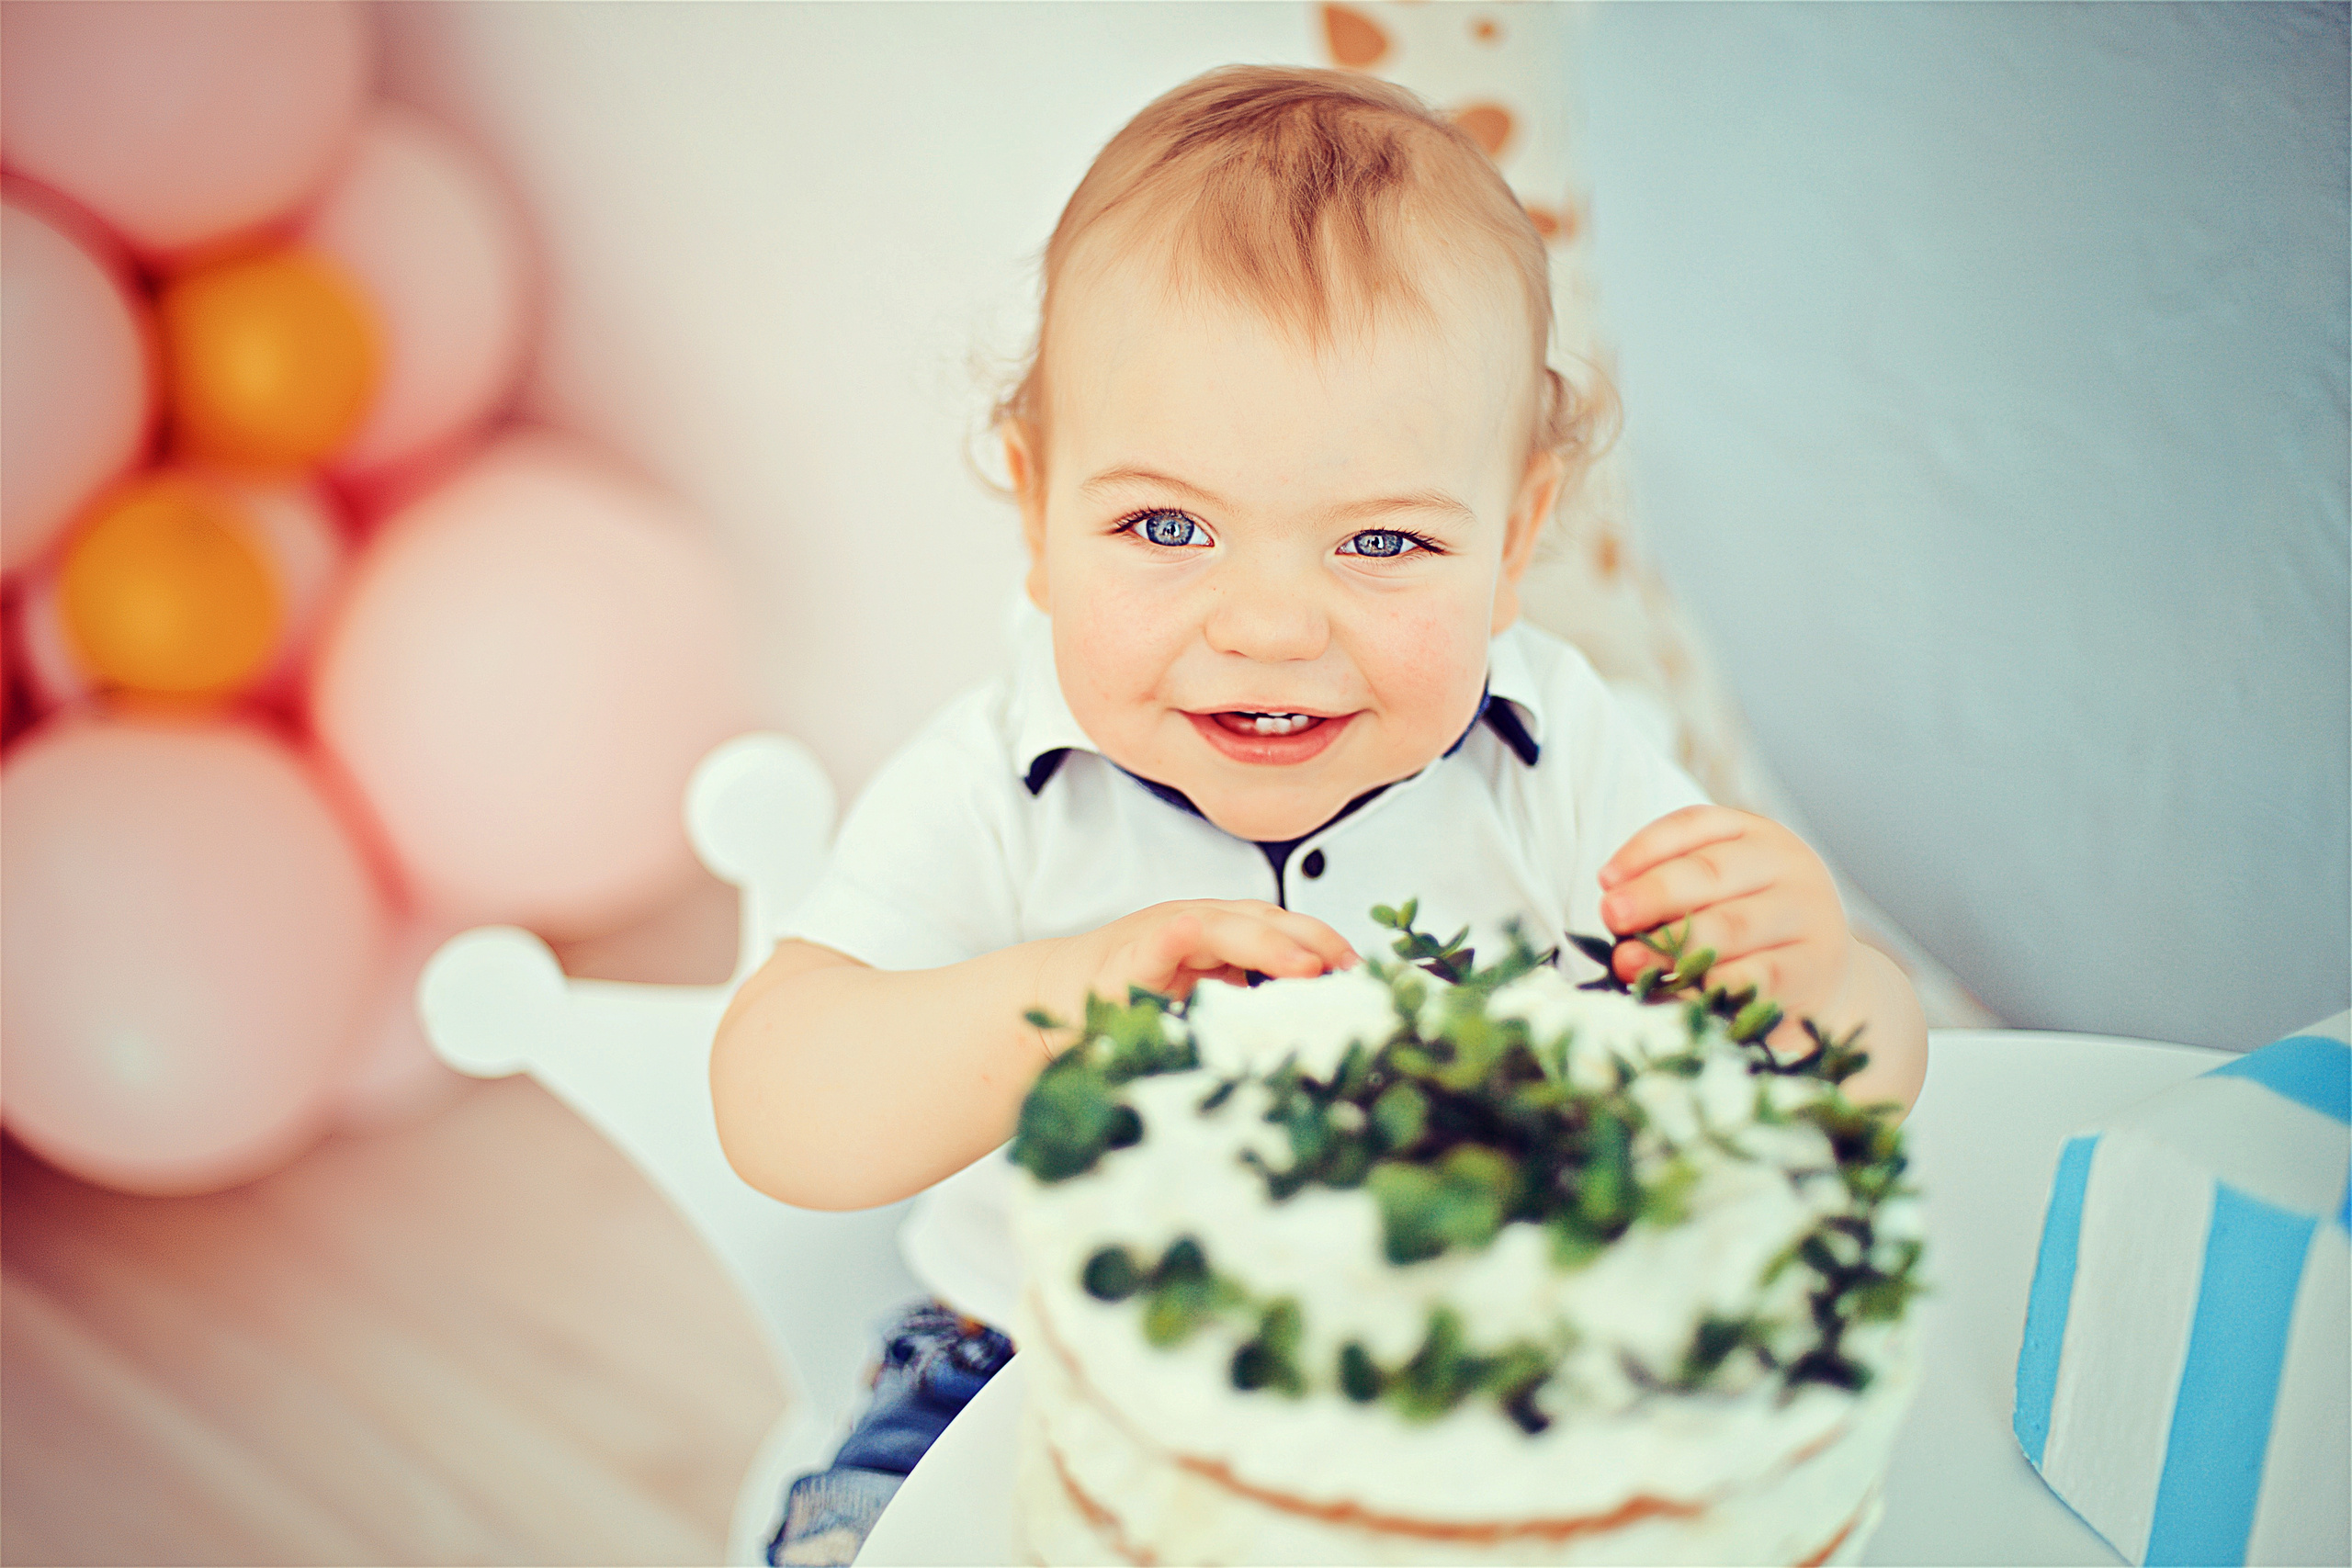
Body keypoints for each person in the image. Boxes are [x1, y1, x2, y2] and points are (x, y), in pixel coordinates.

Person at [712, 63, 1928, 1564]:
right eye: (1168, 527)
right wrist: (1057, 1007)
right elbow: (776, 1106)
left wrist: (1812, 984)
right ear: (1034, 513)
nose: (1274, 627)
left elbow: (1856, 1095)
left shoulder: (1557, 766)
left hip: (1470, 1385)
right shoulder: (997, 791)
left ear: (1518, 535)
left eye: (1383, 540)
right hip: (1024, 1368)